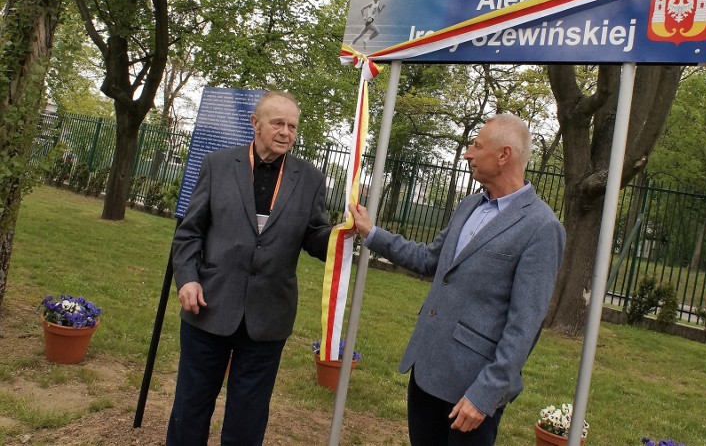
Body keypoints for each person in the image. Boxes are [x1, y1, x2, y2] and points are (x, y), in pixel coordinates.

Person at [349, 113, 566, 446]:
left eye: (477, 146)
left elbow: (524, 326)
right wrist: (373, 233)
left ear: (504, 155)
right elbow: (429, 260)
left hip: (471, 391)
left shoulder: (541, 228)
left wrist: (486, 394)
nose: (468, 153)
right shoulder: (468, 205)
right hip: (426, 372)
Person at [167, 91, 332, 446]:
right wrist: (188, 280)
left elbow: (316, 238)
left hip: (268, 315)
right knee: (191, 403)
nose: (286, 132)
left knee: (249, 413)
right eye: (278, 123)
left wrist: (344, 235)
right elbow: (189, 233)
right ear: (254, 124)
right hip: (209, 305)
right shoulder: (218, 165)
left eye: (292, 126)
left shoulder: (310, 179)